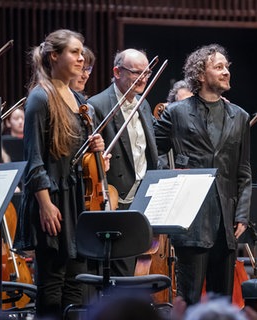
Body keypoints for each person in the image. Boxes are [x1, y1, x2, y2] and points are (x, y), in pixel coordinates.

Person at [16, 29, 105, 319]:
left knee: (75, 284)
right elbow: (34, 159)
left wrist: (96, 149)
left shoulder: (79, 100)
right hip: (52, 198)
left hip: (76, 198)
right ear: (55, 56)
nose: (81, 58)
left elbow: (79, 158)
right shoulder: (40, 98)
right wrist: (44, 204)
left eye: (82, 52)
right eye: (75, 52)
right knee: (52, 282)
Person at [154, 44, 251, 305]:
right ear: (200, 74)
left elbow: (244, 169)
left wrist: (242, 212)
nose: (226, 72)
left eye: (227, 67)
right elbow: (152, 152)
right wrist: (172, 172)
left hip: (226, 220)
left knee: (222, 301)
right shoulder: (175, 113)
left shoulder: (239, 116)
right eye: (218, 67)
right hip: (191, 216)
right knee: (190, 298)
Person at [87, 48, 158, 277]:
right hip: (116, 201)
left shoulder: (144, 104)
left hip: (142, 201)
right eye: (137, 73)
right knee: (121, 272)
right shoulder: (97, 105)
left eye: (146, 73)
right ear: (117, 72)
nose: (143, 79)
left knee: (140, 269)